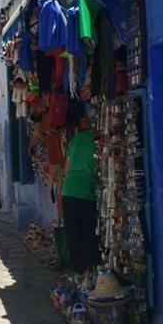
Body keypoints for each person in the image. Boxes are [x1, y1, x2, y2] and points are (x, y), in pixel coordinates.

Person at [62, 116, 100, 274]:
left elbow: (66, 168)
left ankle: (78, 271)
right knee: (89, 231)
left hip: (69, 191)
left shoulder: (73, 141)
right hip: (86, 192)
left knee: (73, 233)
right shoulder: (98, 141)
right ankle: (91, 269)